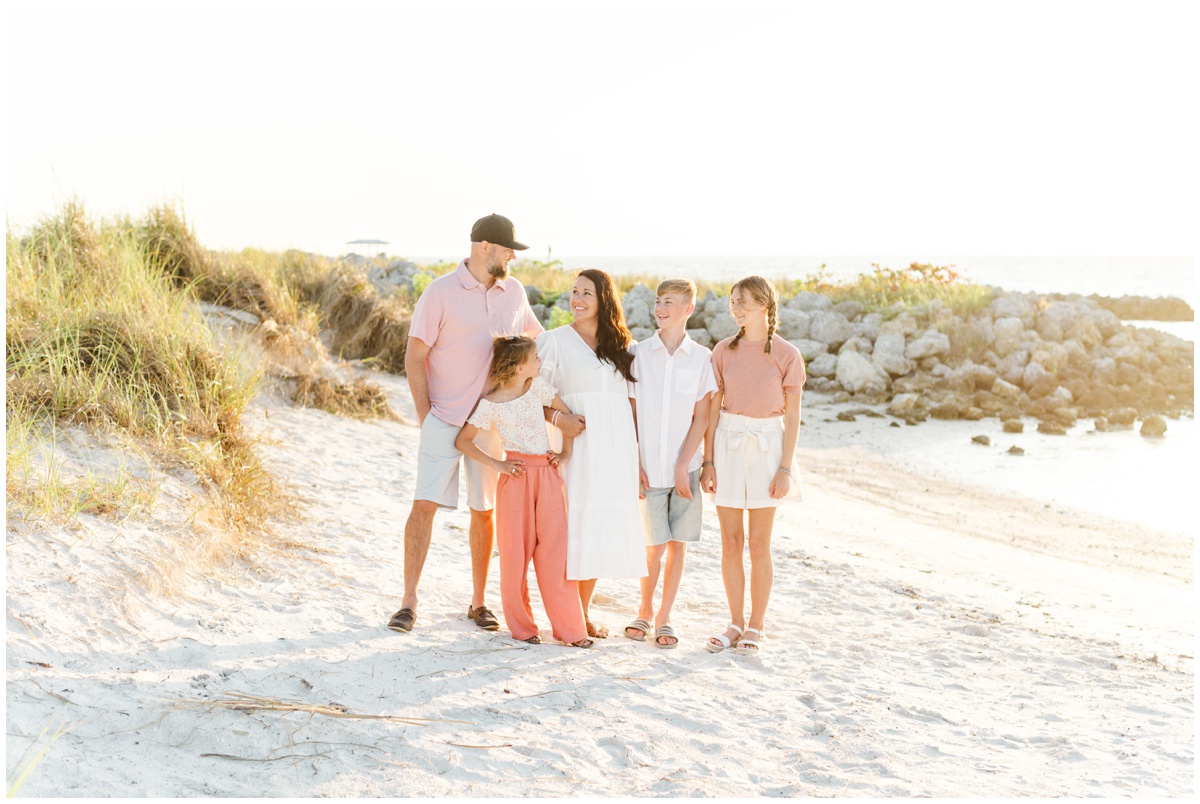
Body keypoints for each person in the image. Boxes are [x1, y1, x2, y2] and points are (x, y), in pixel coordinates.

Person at [388, 214, 583, 634]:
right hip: (444, 418)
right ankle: (407, 601)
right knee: (424, 506)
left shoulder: (513, 292)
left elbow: (538, 342)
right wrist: (427, 417)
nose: (513, 256)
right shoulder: (439, 293)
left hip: (493, 425)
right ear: (484, 248)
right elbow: (414, 357)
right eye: (508, 248)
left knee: (484, 511)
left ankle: (478, 603)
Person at [454, 336, 593, 648]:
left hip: (547, 474)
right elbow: (463, 440)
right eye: (534, 359)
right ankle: (523, 628)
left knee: (556, 554)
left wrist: (566, 452)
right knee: (515, 556)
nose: (539, 362)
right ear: (518, 368)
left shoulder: (538, 388)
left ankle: (571, 631)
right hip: (514, 477)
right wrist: (496, 464)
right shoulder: (490, 404)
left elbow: (568, 419)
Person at [536, 269, 646, 638]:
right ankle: (567, 617)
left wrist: (640, 461)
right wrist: (558, 418)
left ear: (604, 300)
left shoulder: (625, 347)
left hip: (616, 452)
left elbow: (632, 409)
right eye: (574, 292)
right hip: (576, 448)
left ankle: (581, 615)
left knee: (597, 529)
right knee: (572, 530)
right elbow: (530, 396)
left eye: (587, 293)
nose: (577, 299)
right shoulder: (553, 341)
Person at [700, 276, 805, 655]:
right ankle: (734, 622)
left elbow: (792, 419)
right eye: (733, 301)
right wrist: (707, 460)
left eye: (742, 301)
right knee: (731, 542)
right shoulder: (723, 351)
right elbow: (713, 408)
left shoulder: (787, 354)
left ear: (764, 303)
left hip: (767, 446)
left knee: (759, 545)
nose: (736, 307)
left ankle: (756, 625)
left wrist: (784, 468)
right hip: (728, 442)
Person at [626, 279, 717, 649]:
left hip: (687, 468)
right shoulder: (638, 353)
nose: (661, 308)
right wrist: (634, 462)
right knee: (652, 545)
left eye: (670, 302)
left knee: (677, 544)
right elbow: (630, 413)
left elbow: (702, 417)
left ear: (688, 309)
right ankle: (644, 610)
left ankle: (665, 616)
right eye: (658, 301)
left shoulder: (702, 358)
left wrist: (685, 464)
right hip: (648, 465)